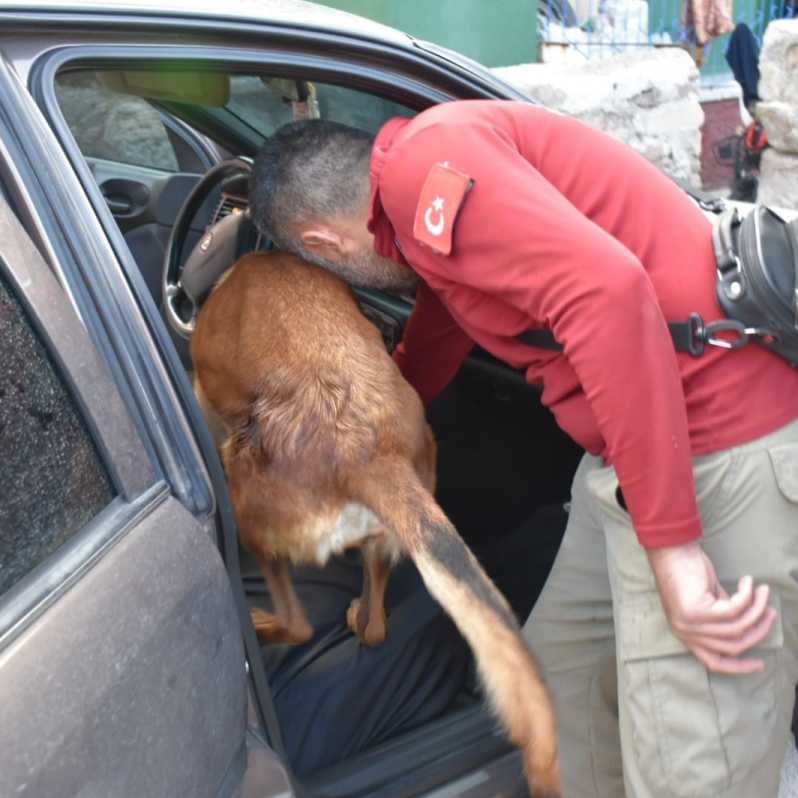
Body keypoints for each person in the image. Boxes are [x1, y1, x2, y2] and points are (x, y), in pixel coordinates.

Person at [249, 101, 798, 798]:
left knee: (696, 762)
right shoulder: (420, 192)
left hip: (717, 448)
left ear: (325, 243)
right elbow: (447, 312)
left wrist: (675, 551)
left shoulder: (427, 173)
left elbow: (609, 292)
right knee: (558, 687)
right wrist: (374, 422)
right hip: (634, 457)